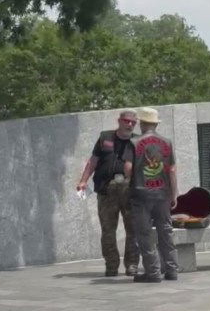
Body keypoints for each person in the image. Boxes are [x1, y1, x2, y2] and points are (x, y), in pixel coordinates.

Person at [76, 109, 140, 277]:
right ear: (119, 121)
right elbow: (94, 160)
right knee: (108, 230)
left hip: (130, 190)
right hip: (107, 189)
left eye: (133, 122)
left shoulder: (138, 141)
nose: (130, 124)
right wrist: (83, 181)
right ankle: (111, 265)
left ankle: (132, 264)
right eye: (126, 121)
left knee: (133, 229)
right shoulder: (105, 137)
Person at [123, 107, 180, 283]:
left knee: (144, 234)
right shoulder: (167, 142)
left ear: (142, 123)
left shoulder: (133, 142)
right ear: (155, 124)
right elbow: (171, 170)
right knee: (166, 232)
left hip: (141, 195)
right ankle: (172, 270)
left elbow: (128, 168)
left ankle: (153, 272)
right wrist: (174, 194)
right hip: (163, 195)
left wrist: (127, 180)